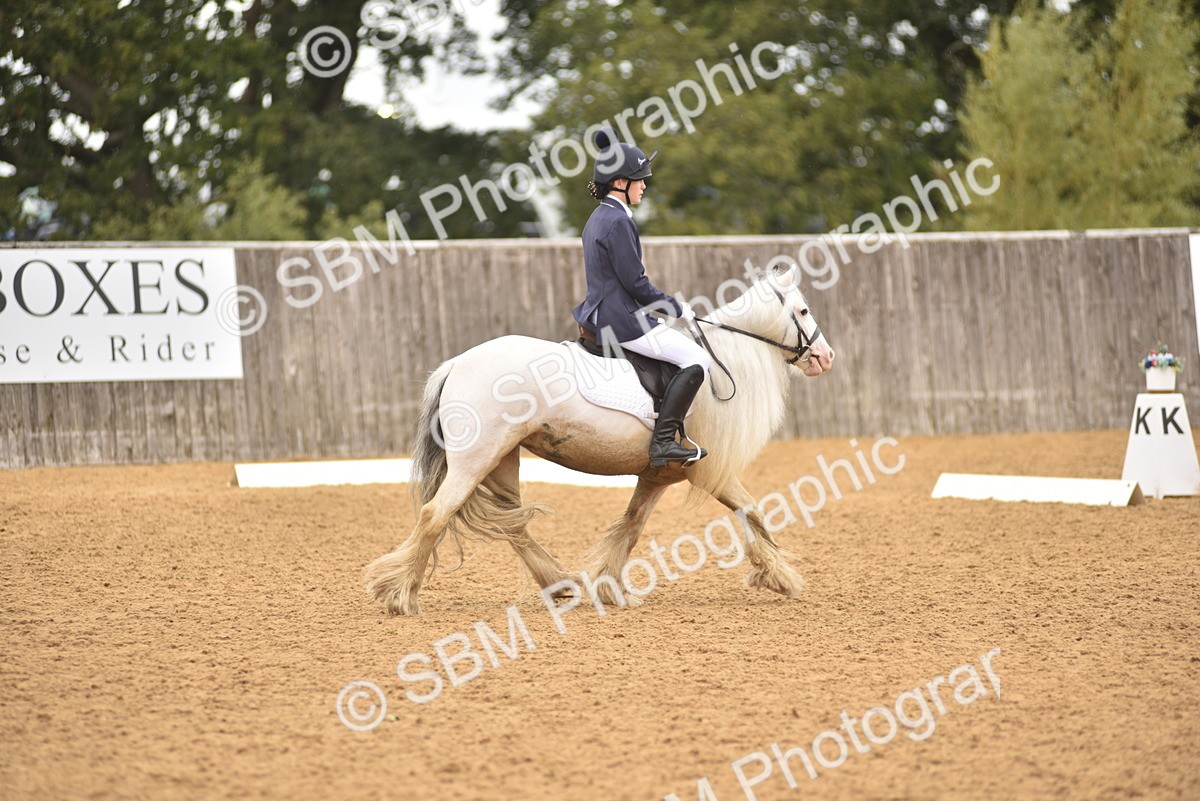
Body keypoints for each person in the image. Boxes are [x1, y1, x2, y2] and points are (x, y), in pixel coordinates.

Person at [572, 128, 712, 468]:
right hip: (621, 321)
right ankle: (663, 442)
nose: (645, 185)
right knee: (697, 360)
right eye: (640, 179)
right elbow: (636, 283)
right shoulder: (618, 222)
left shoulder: (598, 218)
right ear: (620, 182)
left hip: (600, 314)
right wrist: (676, 308)